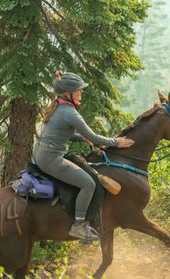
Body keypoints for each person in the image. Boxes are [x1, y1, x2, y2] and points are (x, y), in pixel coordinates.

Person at [32, 71, 134, 241]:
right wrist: (116, 142)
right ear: (68, 93)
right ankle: (79, 226)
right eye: (78, 90)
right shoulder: (70, 112)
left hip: (41, 153)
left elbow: (60, 133)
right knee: (88, 184)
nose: (81, 92)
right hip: (51, 159)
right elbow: (94, 136)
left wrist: (80, 137)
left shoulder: (59, 106)